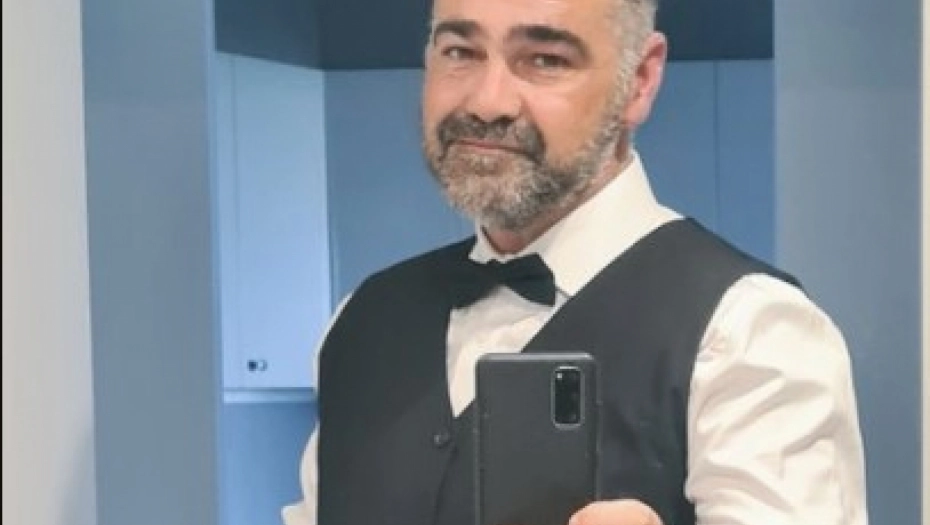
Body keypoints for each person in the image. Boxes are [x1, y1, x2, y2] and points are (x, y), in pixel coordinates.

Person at [283, 0, 869, 523]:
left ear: (640, 80)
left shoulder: (749, 332)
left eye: (545, 60)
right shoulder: (363, 320)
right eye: (460, 51)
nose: (487, 102)